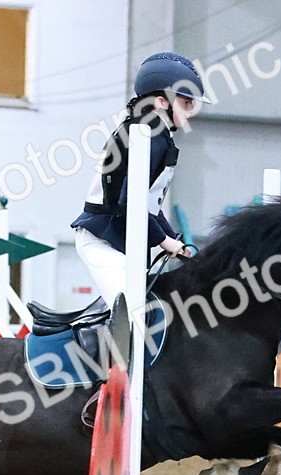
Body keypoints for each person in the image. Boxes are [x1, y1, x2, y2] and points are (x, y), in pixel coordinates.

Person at [71, 52, 210, 307]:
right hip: (102, 240)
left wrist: (175, 241)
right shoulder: (149, 134)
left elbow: (150, 206)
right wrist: (165, 241)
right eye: (186, 103)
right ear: (161, 101)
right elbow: (131, 202)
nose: (191, 111)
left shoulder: (156, 134)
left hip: (120, 238)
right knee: (132, 309)